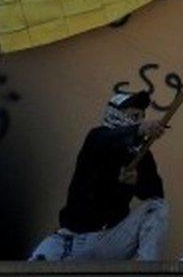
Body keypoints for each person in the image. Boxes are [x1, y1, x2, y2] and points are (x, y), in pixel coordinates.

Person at [29, 91, 169, 261]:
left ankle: (145, 269)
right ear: (115, 114)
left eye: (141, 116)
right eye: (133, 116)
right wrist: (138, 130)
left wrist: (138, 180)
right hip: (72, 240)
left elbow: (155, 193)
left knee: (157, 207)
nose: (138, 120)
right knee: (38, 261)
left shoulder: (141, 154)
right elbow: (110, 140)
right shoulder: (97, 138)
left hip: (108, 239)